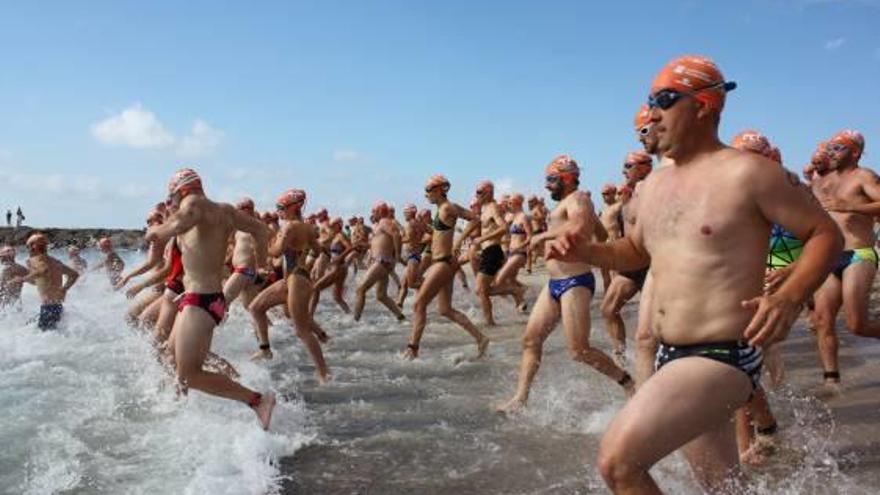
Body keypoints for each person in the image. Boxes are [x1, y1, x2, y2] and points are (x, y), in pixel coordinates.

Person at [546, 55, 841, 493]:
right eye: (649, 103)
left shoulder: (749, 172)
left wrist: (790, 295)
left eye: (664, 100)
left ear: (703, 105)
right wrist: (587, 250)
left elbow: (826, 234)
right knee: (721, 488)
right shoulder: (652, 189)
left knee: (618, 463)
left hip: (722, 355)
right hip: (671, 356)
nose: (651, 114)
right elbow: (634, 251)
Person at [496, 155, 632, 414]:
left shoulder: (578, 199)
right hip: (554, 283)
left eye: (551, 179)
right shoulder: (573, 204)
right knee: (531, 340)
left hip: (575, 282)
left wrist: (544, 235)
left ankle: (627, 381)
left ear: (567, 178)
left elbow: (580, 225)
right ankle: (520, 399)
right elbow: (600, 234)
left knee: (579, 351)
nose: (547, 186)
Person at [144, 168, 276, 429]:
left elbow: (173, 226)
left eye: (172, 198)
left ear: (182, 191)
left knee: (189, 375)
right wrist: (262, 263)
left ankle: (257, 400)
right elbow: (262, 231)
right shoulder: (225, 211)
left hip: (200, 301)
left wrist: (153, 233)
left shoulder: (193, 203)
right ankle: (178, 414)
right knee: (170, 357)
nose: (172, 203)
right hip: (202, 298)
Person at [810, 129, 880, 390]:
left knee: (857, 324)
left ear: (855, 152)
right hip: (828, 257)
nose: (832, 152)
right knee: (821, 320)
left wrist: (851, 207)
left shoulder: (864, 177)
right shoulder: (820, 181)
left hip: (858, 253)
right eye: (831, 147)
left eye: (839, 148)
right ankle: (832, 381)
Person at [403, 174, 489, 360]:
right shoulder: (440, 210)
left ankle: (413, 349)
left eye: (428, 190)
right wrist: (426, 234)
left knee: (419, 304)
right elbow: (439, 234)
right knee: (445, 309)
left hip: (444, 262)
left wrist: (459, 240)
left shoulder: (449, 207)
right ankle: (481, 338)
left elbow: (476, 219)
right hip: (441, 262)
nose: (426, 195)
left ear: (440, 190)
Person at [261, 188, 330, 381]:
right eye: (278, 208)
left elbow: (275, 253)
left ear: (294, 208)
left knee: (301, 331)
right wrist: (309, 261)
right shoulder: (307, 227)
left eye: (281, 208)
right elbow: (319, 250)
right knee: (256, 307)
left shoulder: (289, 227)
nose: (278, 212)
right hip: (296, 276)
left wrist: (266, 242)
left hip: (296, 278)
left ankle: (324, 372)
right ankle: (265, 349)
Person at [599, 150, 653, 365]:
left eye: (627, 166)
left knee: (660, 322)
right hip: (631, 264)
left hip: (653, 264)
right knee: (608, 309)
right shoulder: (629, 194)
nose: (623, 171)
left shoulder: (654, 189)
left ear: (643, 167)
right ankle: (621, 354)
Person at [12, 233, 79, 330]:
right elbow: (74, 275)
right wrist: (64, 289)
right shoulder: (55, 262)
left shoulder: (34, 260)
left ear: (33, 246)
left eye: (28, 246)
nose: (28, 249)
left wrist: (22, 279)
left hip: (48, 308)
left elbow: (42, 270)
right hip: (58, 307)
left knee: (39, 337)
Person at [354, 201, 406, 321]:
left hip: (382, 261)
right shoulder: (378, 225)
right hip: (381, 261)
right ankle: (401, 317)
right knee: (381, 295)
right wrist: (364, 245)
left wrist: (397, 255)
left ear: (379, 211)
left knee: (360, 289)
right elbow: (378, 244)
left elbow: (396, 235)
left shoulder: (384, 222)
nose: (372, 214)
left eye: (373, 211)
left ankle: (355, 320)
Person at [117, 209, 168, 326]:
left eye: (150, 221)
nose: (149, 225)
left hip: (162, 288)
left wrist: (130, 278)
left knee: (131, 317)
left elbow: (151, 263)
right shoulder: (165, 236)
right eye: (147, 222)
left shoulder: (159, 237)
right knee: (142, 321)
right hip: (161, 286)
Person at [223, 197, 265, 309]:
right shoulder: (242, 227)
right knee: (251, 308)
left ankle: (209, 325)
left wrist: (262, 266)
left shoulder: (253, 227)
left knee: (223, 300)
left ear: (245, 210)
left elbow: (260, 246)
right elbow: (232, 242)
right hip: (248, 272)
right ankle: (273, 327)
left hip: (244, 270)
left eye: (237, 210)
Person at [309, 216, 352, 315]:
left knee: (316, 288)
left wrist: (340, 257)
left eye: (333, 225)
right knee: (337, 297)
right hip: (340, 268)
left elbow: (350, 247)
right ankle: (351, 316)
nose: (331, 227)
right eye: (330, 225)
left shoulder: (341, 235)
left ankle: (310, 314)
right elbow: (332, 252)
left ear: (338, 225)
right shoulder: (335, 236)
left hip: (338, 268)